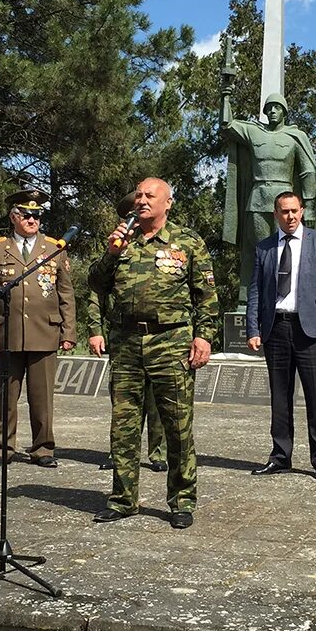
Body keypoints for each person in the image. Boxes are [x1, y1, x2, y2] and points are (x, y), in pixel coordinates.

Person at [88, 177, 219, 529]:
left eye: (150, 196)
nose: (142, 201)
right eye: (139, 196)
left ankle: (181, 499)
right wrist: (112, 252)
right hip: (127, 344)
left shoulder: (187, 242)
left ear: (168, 203)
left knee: (177, 426)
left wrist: (204, 338)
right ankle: (123, 499)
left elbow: (206, 297)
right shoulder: (122, 240)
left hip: (171, 342)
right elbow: (96, 283)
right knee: (123, 426)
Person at [0, 189, 76, 468]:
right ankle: (3, 447)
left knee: (42, 396)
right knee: (6, 393)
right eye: (27, 215)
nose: (33, 220)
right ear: (13, 217)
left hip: (46, 331)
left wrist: (69, 332)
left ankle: (43, 448)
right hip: (7, 332)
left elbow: (65, 293)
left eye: (37, 215)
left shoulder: (54, 248)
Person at [245, 191, 316, 481]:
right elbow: (255, 291)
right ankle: (280, 456)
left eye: (294, 211)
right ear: (276, 214)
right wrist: (253, 328)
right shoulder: (264, 248)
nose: (290, 217)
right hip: (276, 328)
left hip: (311, 330)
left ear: (302, 211)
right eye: (284, 212)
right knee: (279, 397)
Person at [88, 191, 167, 474]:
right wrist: (95, 330)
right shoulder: (117, 245)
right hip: (124, 339)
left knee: (157, 401)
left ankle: (157, 451)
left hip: (160, 340)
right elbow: (97, 290)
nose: (132, 219)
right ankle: (118, 452)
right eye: (129, 214)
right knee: (122, 404)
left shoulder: (164, 242)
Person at [222, 93, 316, 305]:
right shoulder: (254, 132)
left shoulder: (295, 137)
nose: (273, 111)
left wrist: (309, 207)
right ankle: (249, 300)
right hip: (257, 199)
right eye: (269, 108)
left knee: (285, 251)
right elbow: (227, 125)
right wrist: (226, 95)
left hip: (285, 202)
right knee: (255, 252)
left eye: (277, 107)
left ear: (284, 111)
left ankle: (283, 299)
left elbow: (307, 172)